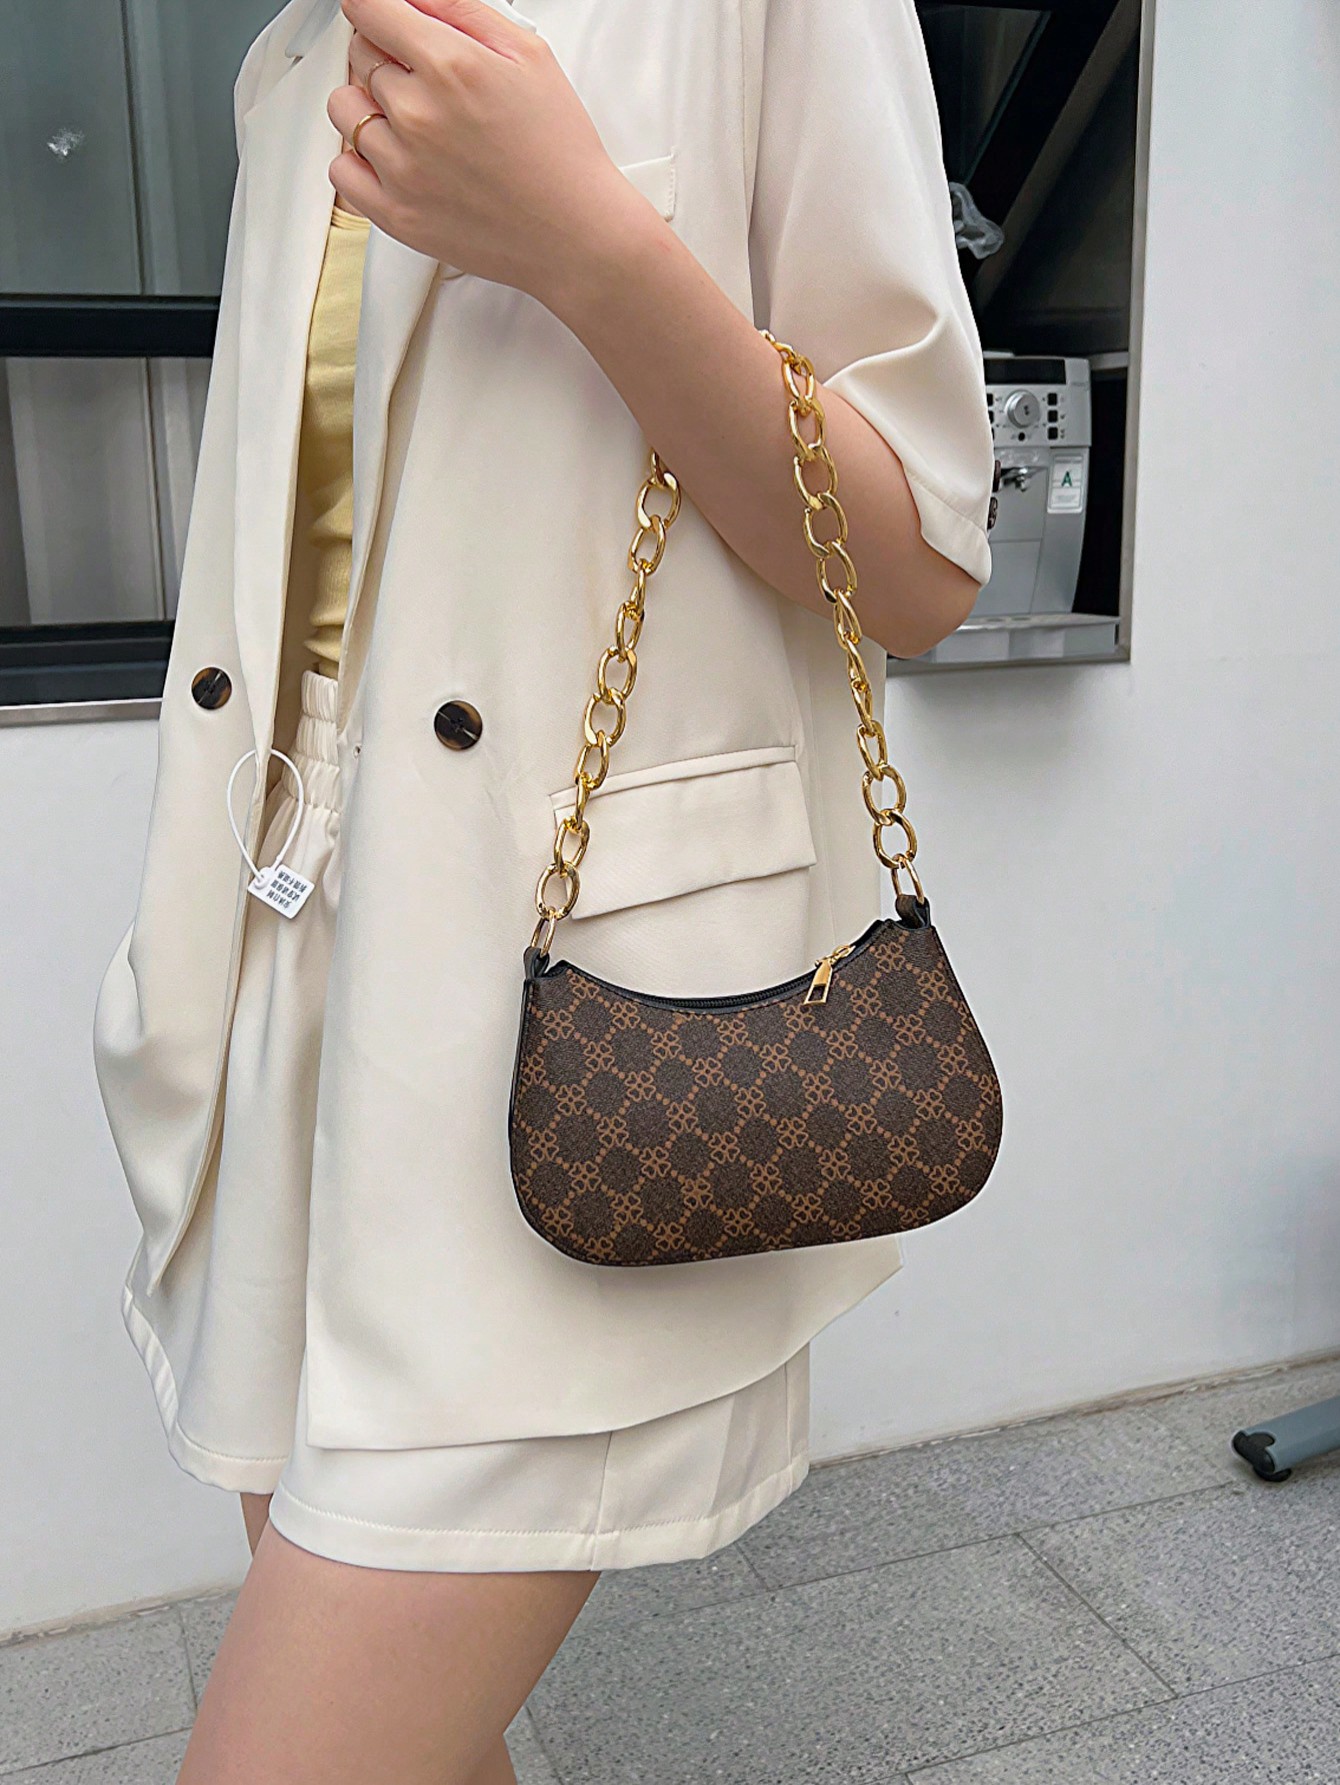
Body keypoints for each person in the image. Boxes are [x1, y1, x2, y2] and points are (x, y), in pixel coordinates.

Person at [91, 0, 995, 1778]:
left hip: (578, 1054)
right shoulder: (298, 54)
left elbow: (916, 562)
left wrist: (588, 243)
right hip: (283, 1003)